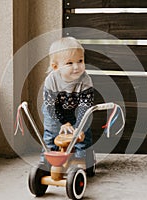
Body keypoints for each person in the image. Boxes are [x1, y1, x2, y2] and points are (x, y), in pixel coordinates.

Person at [41, 37, 94, 165]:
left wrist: (79, 127)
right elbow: (51, 106)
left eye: (80, 61)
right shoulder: (51, 81)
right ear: (55, 67)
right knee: (51, 133)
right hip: (53, 111)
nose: (76, 67)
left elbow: (85, 106)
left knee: (83, 133)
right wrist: (63, 122)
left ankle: (83, 158)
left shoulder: (85, 80)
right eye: (69, 63)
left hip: (77, 111)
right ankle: (47, 159)